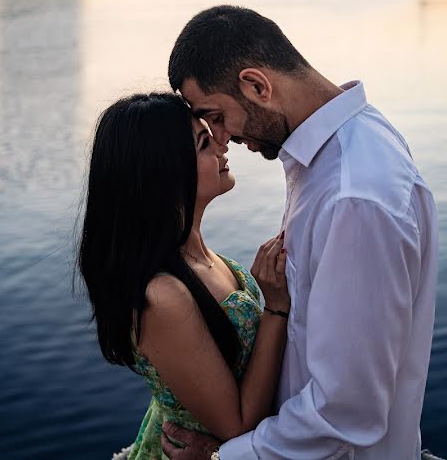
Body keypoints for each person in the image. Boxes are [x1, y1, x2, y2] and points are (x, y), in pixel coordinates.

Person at [160, 5, 439, 460]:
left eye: (217, 115)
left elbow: (345, 412)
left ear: (256, 86)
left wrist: (220, 459)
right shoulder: (339, 152)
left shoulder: (355, 196)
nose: (222, 138)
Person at [77, 92, 293, 460]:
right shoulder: (163, 296)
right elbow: (237, 426)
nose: (223, 146)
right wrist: (275, 308)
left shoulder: (197, 255)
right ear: (166, 173)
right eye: (204, 143)